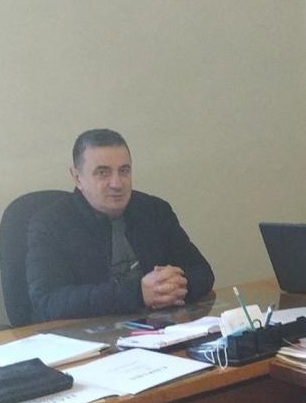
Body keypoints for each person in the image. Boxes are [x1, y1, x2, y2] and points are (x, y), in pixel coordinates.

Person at [26, 128, 215, 322]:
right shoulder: (49, 224)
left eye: (124, 171)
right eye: (103, 173)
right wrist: (138, 294)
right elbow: (47, 302)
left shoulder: (155, 210)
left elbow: (202, 272)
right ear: (77, 177)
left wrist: (174, 286)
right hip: (89, 335)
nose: (117, 183)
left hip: (159, 328)